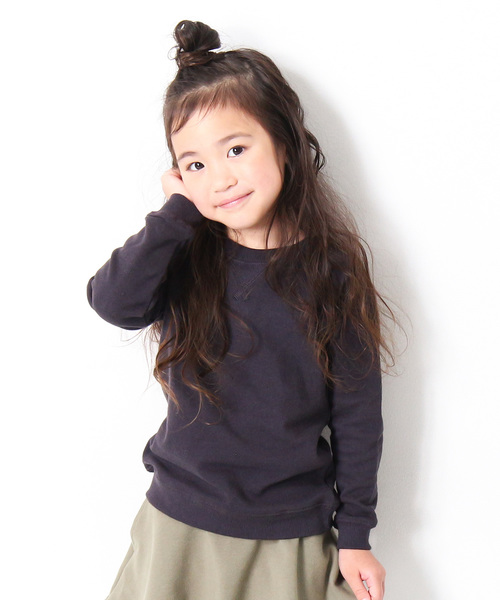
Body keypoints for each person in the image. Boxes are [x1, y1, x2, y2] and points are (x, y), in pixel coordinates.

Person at [87, 19, 392, 600]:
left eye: (235, 149)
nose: (220, 178)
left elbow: (358, 414)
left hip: (288, 533)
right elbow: (113, 303)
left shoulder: (332, 271)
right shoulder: (183, 253)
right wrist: (176, 216)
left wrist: (356, 534)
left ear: (284, 142)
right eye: (195, 164)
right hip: (178, 523)